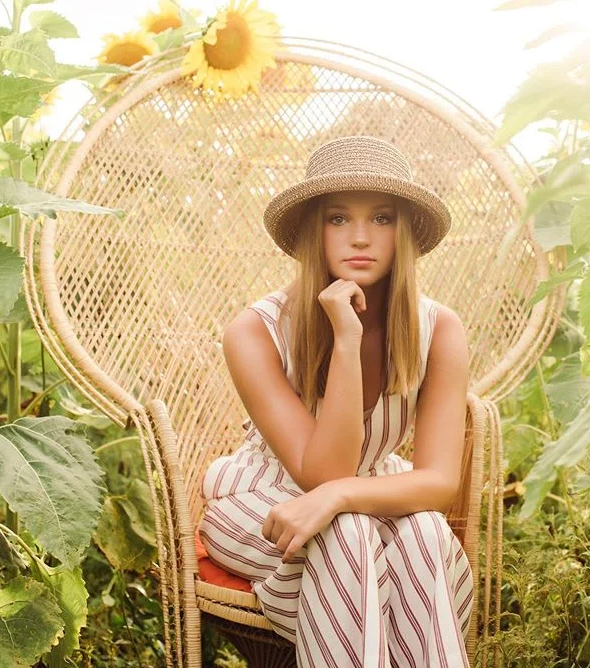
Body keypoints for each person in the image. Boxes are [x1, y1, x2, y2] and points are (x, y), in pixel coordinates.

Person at [199, 135, 474, 667]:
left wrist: (341, 496)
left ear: (405, 233)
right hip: (264, 499)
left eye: (384, 218)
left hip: (366, 497)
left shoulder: (439, 328)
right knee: (349, 532)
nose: (362, 238)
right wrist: (345, 342)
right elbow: (321, 473)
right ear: (312, 230)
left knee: (421, 528)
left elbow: (439, 482)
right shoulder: (254, 331)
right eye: (339, 219)